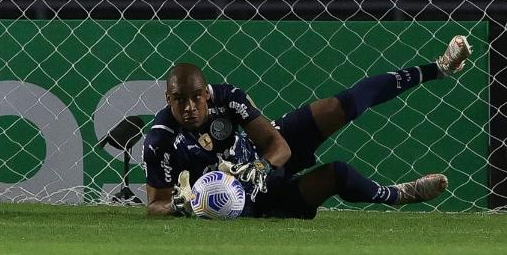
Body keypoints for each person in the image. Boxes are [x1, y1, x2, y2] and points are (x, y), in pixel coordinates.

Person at [143, 35, 472, 218]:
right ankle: (397, 195)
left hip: (262, 158)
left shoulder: (227, 98)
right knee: (339, 175)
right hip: (256, 199)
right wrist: (180, 205)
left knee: (340, 106)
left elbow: (279, 146)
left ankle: (439, 68)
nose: (188, 107)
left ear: (206, 93)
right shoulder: (160, 139)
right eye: (178, 100)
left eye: (195, 97)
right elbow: (154, 204)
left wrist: (260, 165)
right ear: (167, 99)